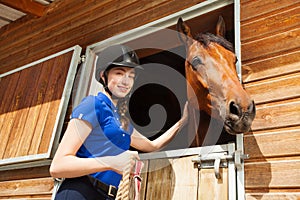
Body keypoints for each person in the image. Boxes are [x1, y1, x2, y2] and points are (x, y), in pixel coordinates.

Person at [49, 44, 188, 200]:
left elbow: (152, 146)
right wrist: (111, 162)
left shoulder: (122, 121)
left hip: (108, 195)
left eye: (131, 76)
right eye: (119, 73)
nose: (126, 81)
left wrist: (183, 121)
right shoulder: (93, 105)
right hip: (81, 192)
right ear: (103, 76)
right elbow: (58, 165)